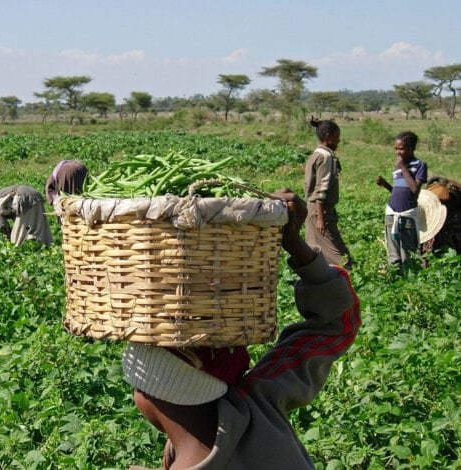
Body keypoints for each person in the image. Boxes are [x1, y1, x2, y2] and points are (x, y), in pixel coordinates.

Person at [123, 189, 361, 469]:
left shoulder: (256, 400)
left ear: (151, 391)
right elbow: (337, 323)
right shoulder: (255, 403)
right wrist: (293, 243)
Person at [304, 118, 353, 270]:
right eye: (337, 136)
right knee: (342, 257)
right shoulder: (326, 157)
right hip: (320, 211)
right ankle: (349, 280)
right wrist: (320, 218)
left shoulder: (316, 154)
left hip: (312, 209)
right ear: (328, 136)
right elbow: (321, 188)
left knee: (315, 251)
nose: (339, 140)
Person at [376, 131, 428, 271]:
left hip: (407, 215)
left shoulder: (420, 165)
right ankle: (394, 277)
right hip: (392, 213)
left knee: (408, 252)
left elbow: (414, 191)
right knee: (393, 252)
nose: (397, 152)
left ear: (411, 148)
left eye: (401, 148)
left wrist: (403, 168)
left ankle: (409, 277)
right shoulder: (397, 167)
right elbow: (397, 191)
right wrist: (386, 184)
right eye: (396, 148)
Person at [0, 181, 53, 247]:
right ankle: (46, 245)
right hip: (34, 194)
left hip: (23, 197)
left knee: (17, 239)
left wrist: (8, 237)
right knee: (38, 226)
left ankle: (26, 250)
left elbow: (3, 225)